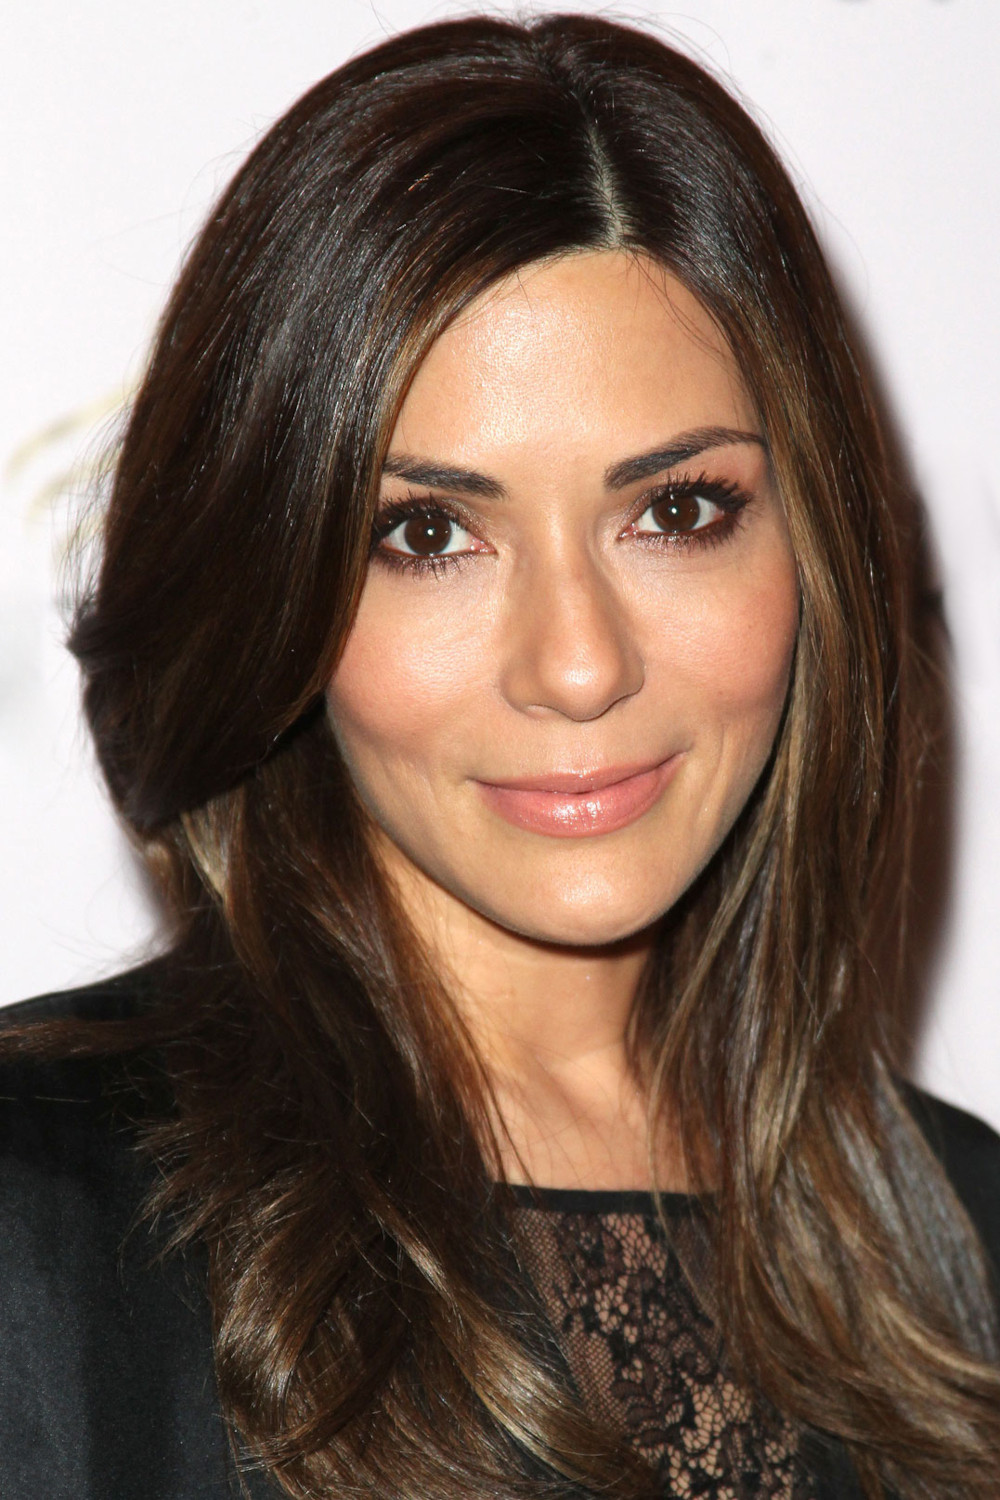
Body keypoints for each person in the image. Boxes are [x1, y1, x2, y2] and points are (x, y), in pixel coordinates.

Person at [1, 12, 998, 1499]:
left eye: (676, 512)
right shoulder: (43, 1225)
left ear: (817, 549)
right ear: (275, 592)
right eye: (428, 534)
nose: (578, 665)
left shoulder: (970, 1243)